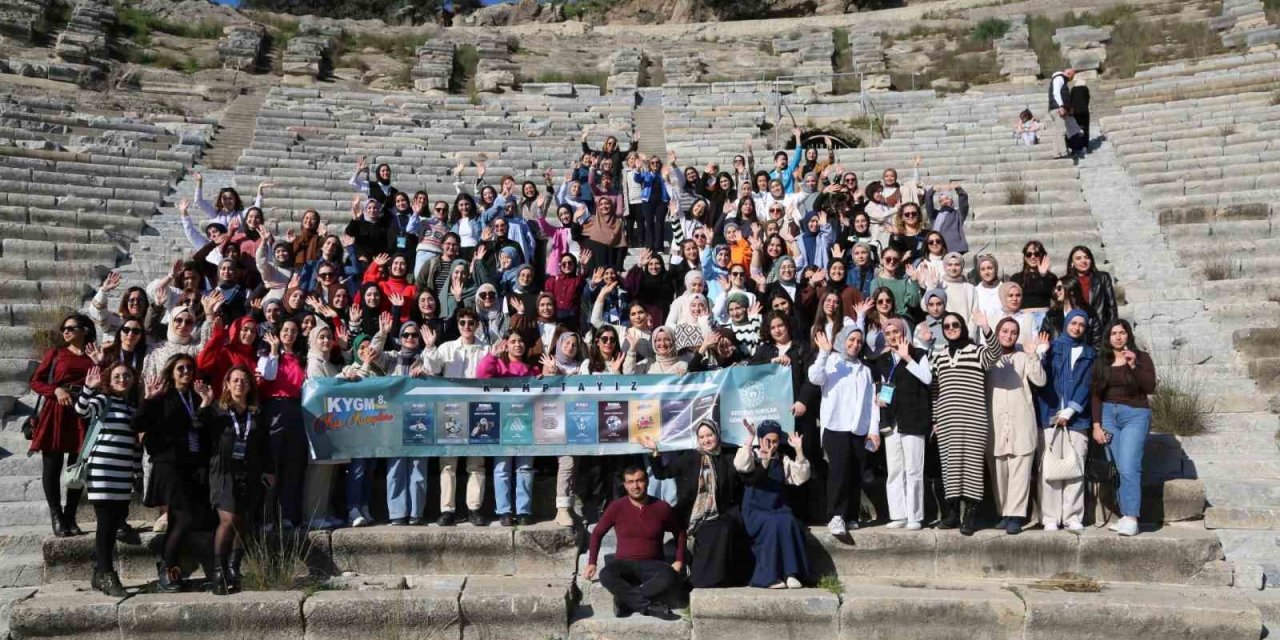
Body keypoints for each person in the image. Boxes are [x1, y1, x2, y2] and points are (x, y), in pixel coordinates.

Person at [196, 366, 274, 595]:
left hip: (249, 472)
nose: (239, 384)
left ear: (250, 386)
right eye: (235, 380)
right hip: (223, 472)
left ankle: (233, 568)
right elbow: (197, 426)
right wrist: (204, 403)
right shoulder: (218, 412)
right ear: (227, 385)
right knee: (228, 520)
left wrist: (269, 470)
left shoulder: (256, 414)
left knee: (242, 522)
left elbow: (266, 446)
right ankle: (218, 572)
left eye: (244, 381)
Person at [135, 353, 209, 593]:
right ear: (171, 371)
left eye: (189, 368)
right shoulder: (163, 396)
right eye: (181, 368)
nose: (186, 372)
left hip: (191, 466)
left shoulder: (196, 397)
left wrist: (207, 404)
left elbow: (203, 428)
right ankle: (165, 566)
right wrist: (148, 399)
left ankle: (171, 568)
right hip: (169, 465)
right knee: (183, 518)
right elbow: (136, 425)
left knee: (180, 519)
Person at [643, 420, 747, 589]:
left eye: (709, 435)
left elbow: (743, 480)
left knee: (723, 529)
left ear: (717, 435)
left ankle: (710, 580)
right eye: (702, 437)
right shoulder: (690, 458)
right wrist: (655, 451)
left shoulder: (728, 458)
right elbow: (662, 473)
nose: (706, 440)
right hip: (693, 516)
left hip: (720, 514)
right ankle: (702, 579)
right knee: (711, 531)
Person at [931, 311, 1001, 535]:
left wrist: (986, 328)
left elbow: (996, 354)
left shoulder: (977, 351)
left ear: (963, 326)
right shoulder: (939, 355)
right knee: (950, 468)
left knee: (971, 467)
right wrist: (935, 419)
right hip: (947, 419)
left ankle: (969, 517)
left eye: (955, 324)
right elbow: (935, 390)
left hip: (973, 419)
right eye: (947, 325)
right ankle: (951, 514)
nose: (951, 328)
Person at [75, 363, 143, 597]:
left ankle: (98, 572)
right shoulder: (103, 400)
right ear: (109, 380)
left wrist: (137, 472)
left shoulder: (132, 407)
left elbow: (134, 445)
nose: (122, 379)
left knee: (114, 523)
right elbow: (81, 411)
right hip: (102, 470)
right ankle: (107, 574)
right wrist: (88, 388)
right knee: (105, 523)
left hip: (123, 473)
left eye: (126, 375)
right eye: (117, 376)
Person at [584, 465, 684, 621]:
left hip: (652, 564)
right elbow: (597, 533)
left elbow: (679, 533)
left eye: (639, 481)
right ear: (625, 485)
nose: (635, 486)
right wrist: (592, 562)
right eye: (630, 482)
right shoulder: (616, 507)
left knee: (670, 575)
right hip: (624, 564)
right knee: (606, 575)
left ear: (647, 482)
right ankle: (648, 607)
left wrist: (679, 561)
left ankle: (625, 600)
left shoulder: (661, 507)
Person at [808, 324, 880, 538]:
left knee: (855, 472)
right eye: (851, 340)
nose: (855, 344)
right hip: (835, 426)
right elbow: (815, 377)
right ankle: (835, 515)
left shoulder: (865, 370)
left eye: (859, 341)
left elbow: (871, 403)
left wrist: (873, 430)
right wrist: (823, 352)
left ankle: (850, 515)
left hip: (858, 428)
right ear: (842, 341)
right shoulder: (831, 361)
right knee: (839, 471)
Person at [29, 313, 97, 537]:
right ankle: (56, 516)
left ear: (85, 330)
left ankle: (70, 515)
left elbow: (105, 382)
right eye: (64, 328)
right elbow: (36, 381)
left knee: (77, 468)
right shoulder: (56, 354)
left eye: (71, 327)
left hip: (83, 412)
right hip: (56, 412)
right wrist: (55, 390)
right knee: (52, 466)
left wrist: (100, 362)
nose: (65, 331)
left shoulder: (94, 354)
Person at [421, 308, 490, 526]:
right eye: (463, 322)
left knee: (476, 464)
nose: (467, 326)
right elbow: (431, 368)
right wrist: (430, 346)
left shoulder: (486, 349)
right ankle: (447, 510)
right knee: (448, 464)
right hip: (451, 410)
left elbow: (493, 372)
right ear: (458, 325)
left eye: (471, 322)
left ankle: (474, 509)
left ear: (477, 324)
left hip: (479, 410)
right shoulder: (447, 347)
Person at [1091, 319, 1156, 537]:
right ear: (1108, 337)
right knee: (1118, 467)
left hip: (1135, 414)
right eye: (1114, 333)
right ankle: (1125, 516)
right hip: (1109, 415)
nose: (1118, 337)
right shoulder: (1102, 360)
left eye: (1122, 332)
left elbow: (1150, 387)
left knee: (1129, 466)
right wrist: (1097, 425)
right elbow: (1096, 395)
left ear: (1129, 335)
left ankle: (1132, 517)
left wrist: (1134, 365)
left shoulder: (1141, 357)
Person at [1036, 310, 1096, 532]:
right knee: (1050, 468)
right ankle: (1050, 516)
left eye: (1081, 324)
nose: (1077, 327)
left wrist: (1071, 411)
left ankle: (1072, 515)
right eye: (1074, 322)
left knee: (1075, 467)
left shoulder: (1090, 353)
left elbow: (1088, 384)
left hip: (1076, 419)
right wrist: (1041, 355)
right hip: (1050, 415)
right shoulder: (1053, 347)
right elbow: (1040, 377)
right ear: (1067, 323)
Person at [987, 319, 1048, 535]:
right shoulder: (988, 357)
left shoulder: (1024, 357)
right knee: (999, 472)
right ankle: (1003, 513)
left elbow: (1040, 381)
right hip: (995, 423)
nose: (1008, 335)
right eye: (1004, 331)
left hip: (1021, 422)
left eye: (1013, 332)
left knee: (1019, 471)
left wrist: (1033, 355)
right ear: (997, 332)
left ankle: (1016, 516)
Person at [870, 318, 932, 530]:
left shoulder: (919, 354)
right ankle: (898, 514)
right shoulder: (883, 359)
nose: (892, 336)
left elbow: (927, 379)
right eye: (888, 334)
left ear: (904, 332)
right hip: (891, 420)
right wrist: (879, 397)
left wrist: (907, 358)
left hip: (913, 418)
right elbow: (880, 385)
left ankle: (914, 516)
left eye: (896, 332)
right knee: (895, 469)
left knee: (914, 469)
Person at [735, 419, 811, 589]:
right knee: (772, 525)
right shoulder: (752, 456)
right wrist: (752, 442)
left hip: (777, 508)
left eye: (775, 441)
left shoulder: (783, 459)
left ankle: (791, 573)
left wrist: (798, 450)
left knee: (788, 521)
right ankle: (768, 577)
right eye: (767, 440)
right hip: (755, 511)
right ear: (761, 439)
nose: (771, 445)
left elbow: (801, 477)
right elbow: (741, 466)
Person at [477, 331, 539, 526]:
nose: (517, 344)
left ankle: (523, 510)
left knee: (525, 468)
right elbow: (482, 375)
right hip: (503, 425)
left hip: (527, 425)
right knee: (502, 468)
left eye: (521, 341)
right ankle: (504, 511)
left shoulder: (533, 369)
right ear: (507, 345)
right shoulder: (499, 365)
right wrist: (492, 356)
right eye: (513, 341)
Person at [1062, 246, 1117, 348]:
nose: (1083, 261)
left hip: (1099, 328)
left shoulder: (1102, 278)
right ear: (1072, 263)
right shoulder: (1066, 282)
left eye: (1086, 257)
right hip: (1076, 328)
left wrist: (1112, 329)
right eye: (1078, 258)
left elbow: (1111, 305)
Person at [1047, 67, 1075, 159]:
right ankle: (1063, 152)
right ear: (1068, 73)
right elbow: (1056, 93)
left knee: (1056, 132)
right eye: (1072, 76)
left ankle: (1056, 153)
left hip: (1054, 108)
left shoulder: (1059, 78)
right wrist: (1061, 106)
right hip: (1057, 108)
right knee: (1061, 130)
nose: (1071, 79)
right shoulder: (1059, 78)